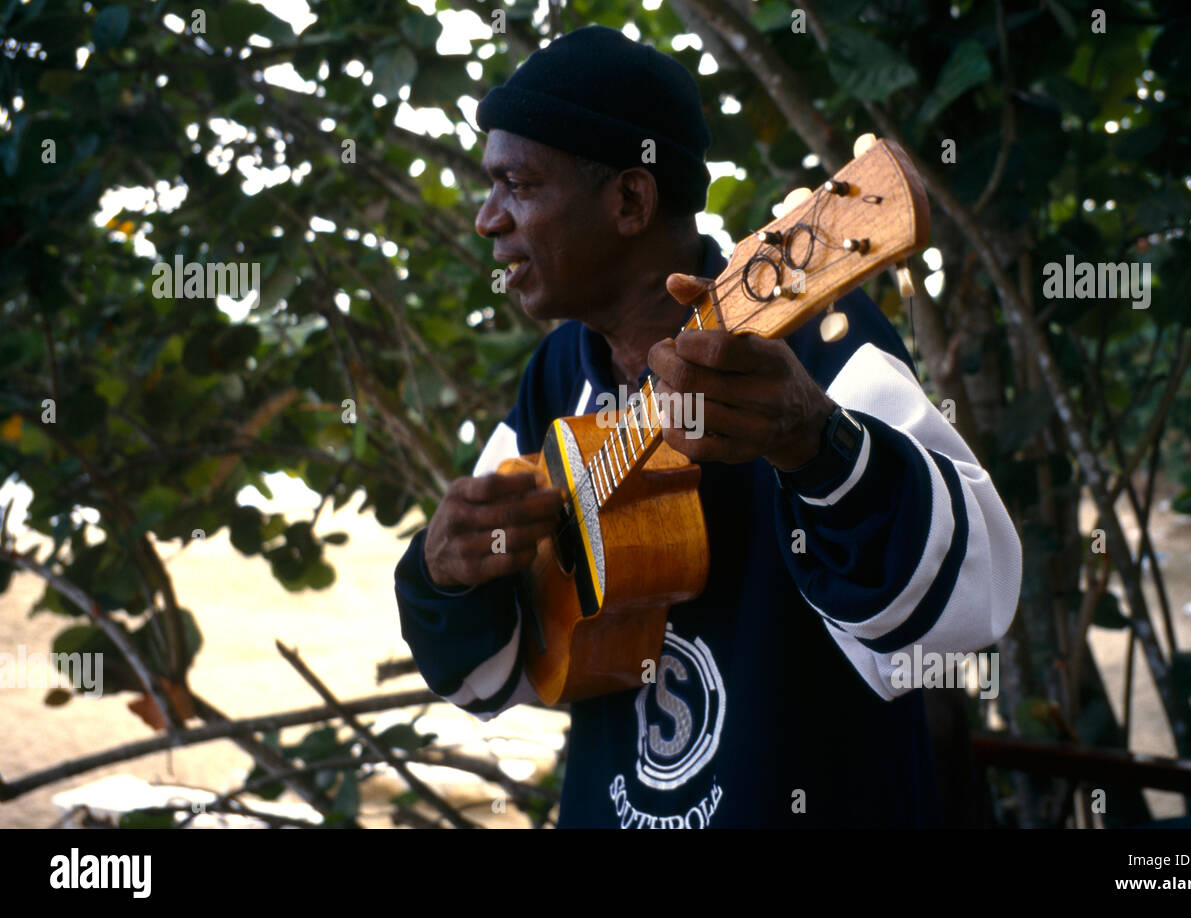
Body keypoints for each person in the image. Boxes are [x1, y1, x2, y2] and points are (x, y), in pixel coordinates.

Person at [394, 25, 1022, 828]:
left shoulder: (816, 335)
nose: (488, 220)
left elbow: (973, 605)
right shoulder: (555, 377)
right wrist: (448, 573)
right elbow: (495, 675)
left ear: (630, 199)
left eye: (517, 184)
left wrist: (817, 445)